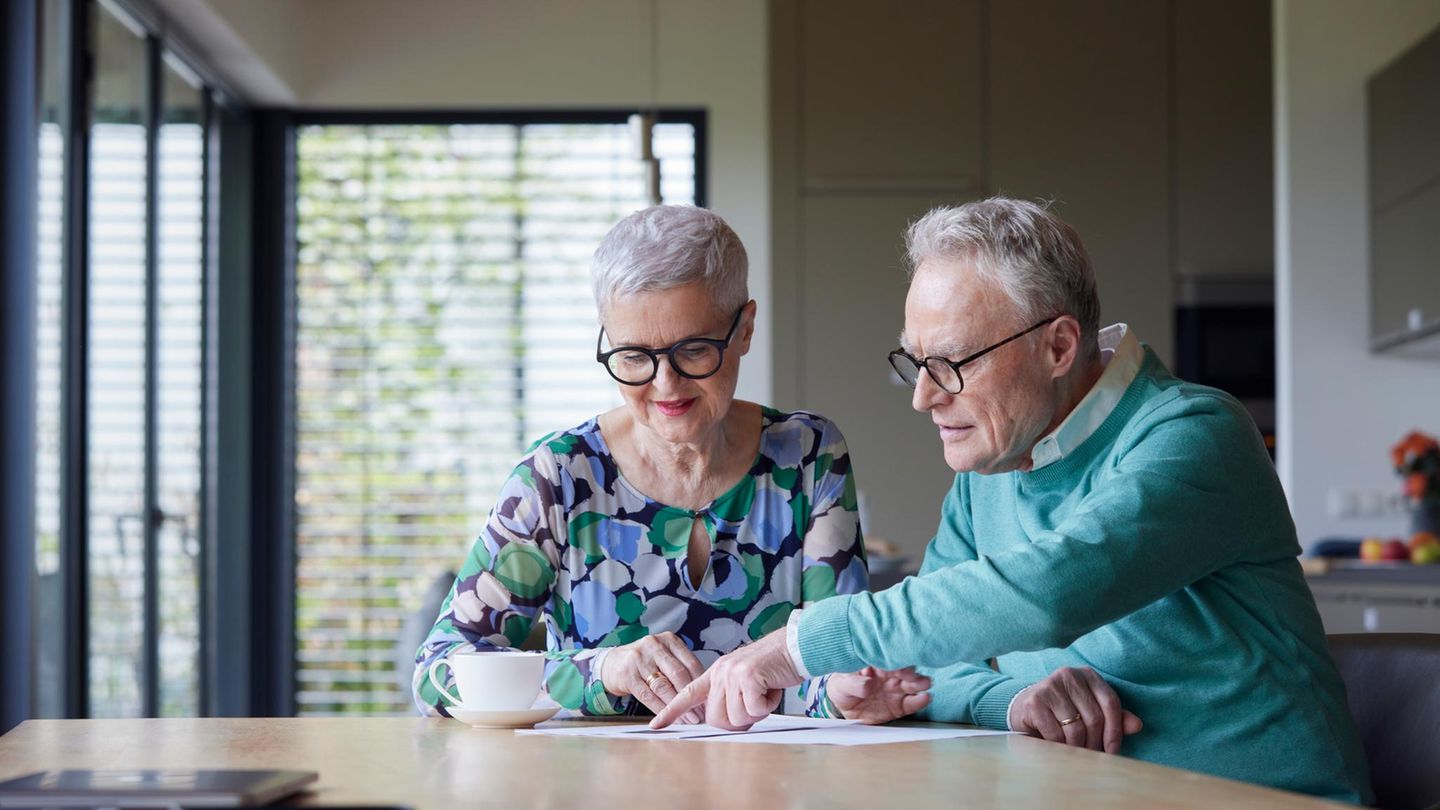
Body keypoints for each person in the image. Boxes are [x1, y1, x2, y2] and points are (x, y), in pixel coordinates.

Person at [652, 198, 1373, 804]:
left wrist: (796, 646)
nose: (924, 397)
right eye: (915, 361)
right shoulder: (991, 467)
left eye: (952, 364)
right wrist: (1017, 700)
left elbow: (1048, 593)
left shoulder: (1194, 435)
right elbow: (925, 662)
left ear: (1059, 347)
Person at [413, 205, 921, 721]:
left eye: (694, 350)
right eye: (633, 356)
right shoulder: (560, 476)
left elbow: (831, 660)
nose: (665, 385)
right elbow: (437, 672)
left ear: (744, 329)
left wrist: (840, 694)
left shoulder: (809, 455)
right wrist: (601, 670)